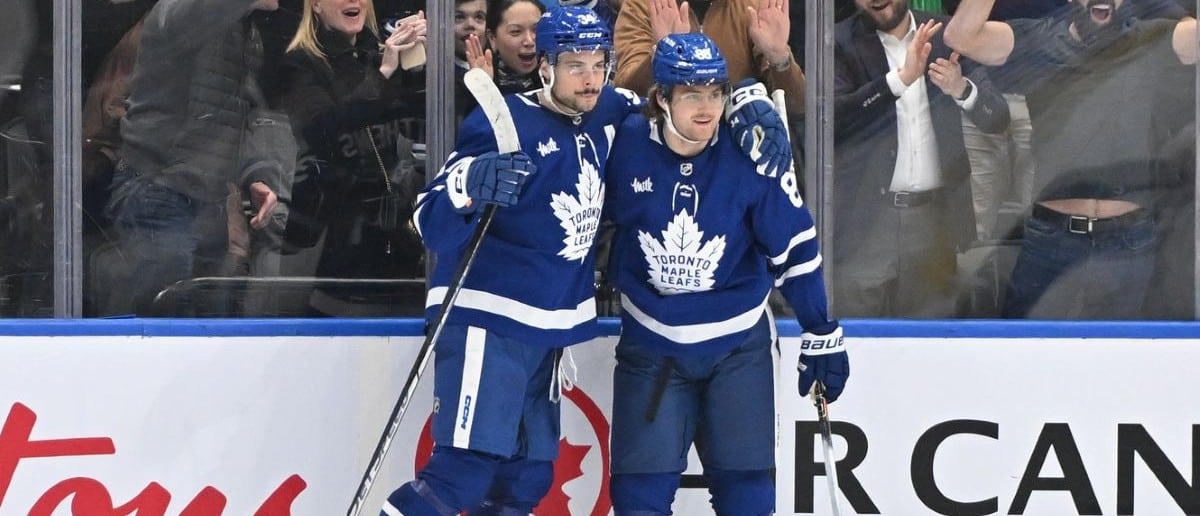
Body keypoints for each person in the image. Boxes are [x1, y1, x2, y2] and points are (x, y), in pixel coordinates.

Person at [380, 8, 641, 514]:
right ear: (544, 65)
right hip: (488, 318)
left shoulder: (608, 111)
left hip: (548, 325)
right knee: (461, 473)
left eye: (598, 64)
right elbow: (429, 216)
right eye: (574, 65)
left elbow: (664, 113)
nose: (590, 79)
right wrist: (468, 187)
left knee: (527, 477)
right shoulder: (504, 122)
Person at [604, 33, 847, 516]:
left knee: (749, 499)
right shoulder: (622, 141)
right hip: (652, 347)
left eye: (716, 92)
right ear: (661, 98)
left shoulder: (753, 147)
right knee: (638, 501)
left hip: (738, 348)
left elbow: (794, 248)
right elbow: (578, 105)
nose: (707, 106)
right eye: (691, 93)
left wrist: (821, 329)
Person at [944, 0, 1197, 319]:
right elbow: (960, 37)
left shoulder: (1152, 38)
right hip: (1053, 236)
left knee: (1118, 359)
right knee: (1030, 353)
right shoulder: (1037, 40)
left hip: (1129, 239)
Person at [102, 0, 296, 315]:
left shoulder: (243, 30)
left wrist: (252, 175)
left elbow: (234, 113)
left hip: (206, 199)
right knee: (157, 330)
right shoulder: (180, 11)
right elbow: (191, 11)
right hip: (159, 190)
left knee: (205, 335)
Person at [832, 0, 1009, 318]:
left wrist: (962, 89)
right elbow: (833, 122)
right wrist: (898, 81)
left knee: (929, 336)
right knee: (856, 335)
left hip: (934, 220)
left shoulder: (948, 35)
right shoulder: (837, 42)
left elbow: (997, 117)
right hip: (865, 220)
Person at [273, 0, 427, 314]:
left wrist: (418, 68)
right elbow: (324, 129)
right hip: (324, 228)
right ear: (314, 5)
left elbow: (418, 120)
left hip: (390, 231)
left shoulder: (376, 55)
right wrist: (384, 73)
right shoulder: (300, 63)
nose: (353, 1)